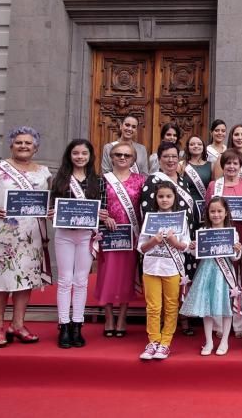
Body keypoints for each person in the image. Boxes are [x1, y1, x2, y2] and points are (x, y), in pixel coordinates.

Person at [0, 126, 52, 347]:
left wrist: (51, 211)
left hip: (31, 234)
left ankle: (18, 324)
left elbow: (45, 202)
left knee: (25, 281)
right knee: (1, 281)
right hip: (4, 233)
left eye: (28, 143)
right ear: (11, 145)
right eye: (19, 142)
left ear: (36, 147)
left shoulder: (44, 172)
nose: (23, 146)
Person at [48, 139, 106, 348]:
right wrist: (52, 212)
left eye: (84, 153)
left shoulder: (98, 181)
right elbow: (52, 206)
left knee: (81, 281)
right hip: (64, 234)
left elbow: (104, 209)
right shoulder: (60, 180)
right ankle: (63, 324)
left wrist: (101, 214)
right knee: (65, 280)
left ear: (90, 156)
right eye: (76, 153)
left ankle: (77, 325)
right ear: (69, 155)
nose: (80, 157)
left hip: (86, 236)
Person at [141, 141, 197, 334]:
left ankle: (182, 319)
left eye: (174, 156)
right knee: (163, 283)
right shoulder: (153, 180)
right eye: (166, 156)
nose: (171, 160)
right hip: (161, 242)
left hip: (181, 238)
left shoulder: (182, 180)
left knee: (181, 280)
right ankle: (161, 326)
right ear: (159, 159)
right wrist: (161, 235)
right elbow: (149, 211)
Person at [180, 197, 242, 356]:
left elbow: (235, 258)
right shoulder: (202, 232)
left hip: (225, 273)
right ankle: (208, 341)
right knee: (206, 306)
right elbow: (196, 255)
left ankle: (224, 341)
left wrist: (237, 249)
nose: (216, 215)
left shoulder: (232, 233)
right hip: (206, 271)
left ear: (226, 212)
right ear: (208, 213)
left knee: (226, 307)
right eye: (212, 211)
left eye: (219, 211)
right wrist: (193, 247)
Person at [95, 141, 146, 338]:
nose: (122, 158)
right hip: (109, 235)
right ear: (111, 157)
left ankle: (122, 316)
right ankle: (108, 316)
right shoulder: (102, 180)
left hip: (131, 235)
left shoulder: (141, 180)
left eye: (127, 155)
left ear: (133, 159)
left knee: (126, 277)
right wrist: (103, 216)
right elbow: (96, 205)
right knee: (107, 275)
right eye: (118, 155)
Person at [137, 183, 190, 360]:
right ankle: (153, 341)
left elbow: (186, 246)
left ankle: (165, 342)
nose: (165, 200)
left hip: (172, 269)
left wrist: (174, 241)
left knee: (171, 306)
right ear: (156, 199)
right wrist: (153, 241)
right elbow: (142, 248)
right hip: (151, 267)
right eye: (161, 197)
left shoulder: (181, 220)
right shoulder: (149, 219)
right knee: (153, 307)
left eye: (168, 196)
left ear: (174, 198)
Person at [206, 149, 242, 338]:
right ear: (222, 166)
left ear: (241, 166)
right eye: (228, 163)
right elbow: (208, 212)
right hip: (220, 238)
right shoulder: (214, 186)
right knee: (220, 280)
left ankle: (241, 322)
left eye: (235, 163)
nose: (231, 167)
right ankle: (219, 324)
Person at [180, 136, 212, 221]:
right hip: (187, 205)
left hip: (205, 206)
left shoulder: (211, 165)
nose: (196, 146)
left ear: (203, 147)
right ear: (187, 147)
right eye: (192, 144)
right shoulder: (181, 165)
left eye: (199, 144)